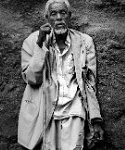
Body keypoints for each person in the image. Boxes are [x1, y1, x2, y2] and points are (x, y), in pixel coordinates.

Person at [18, 0, 104, 149]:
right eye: (53, 14)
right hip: (46, 113)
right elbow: (32, 79)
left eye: (63, 13)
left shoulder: (85, 41)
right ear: (47, 18)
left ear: (69, 16)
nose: (58, 17)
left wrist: (96, 119)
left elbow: (90, 83)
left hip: (75, 112)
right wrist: (41, 45)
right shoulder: (32, 42)